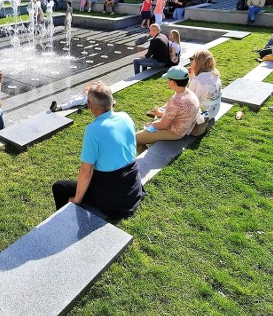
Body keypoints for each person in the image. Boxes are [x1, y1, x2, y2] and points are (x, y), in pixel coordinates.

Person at [51, 82, 144, 219]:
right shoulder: (125, 117)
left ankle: (64, 223)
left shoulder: (94, 129)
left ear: (89, 105)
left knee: (59, 187)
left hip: (114, 200)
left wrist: (77, 199)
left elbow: (86, 172)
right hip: (133, 188)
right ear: (111, 101)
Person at [135, 66, 202, 153]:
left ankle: (148, 156)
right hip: (183, 128)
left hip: (174, 132)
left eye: (168, 79)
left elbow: (163, 125)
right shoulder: (188, 92)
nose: (167, 81)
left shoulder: (176, 100)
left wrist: (151, 125)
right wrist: (161, 114)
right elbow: (179, 113)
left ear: (173, 82)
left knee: (134, 139)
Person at [188, 50, 221, 136]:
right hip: (214, 111)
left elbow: (189, 99)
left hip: (204, 115)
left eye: (192, 59)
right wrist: (192, 77)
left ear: (198, 62)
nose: (190, 61)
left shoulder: (198, 80)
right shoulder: (215, 74)